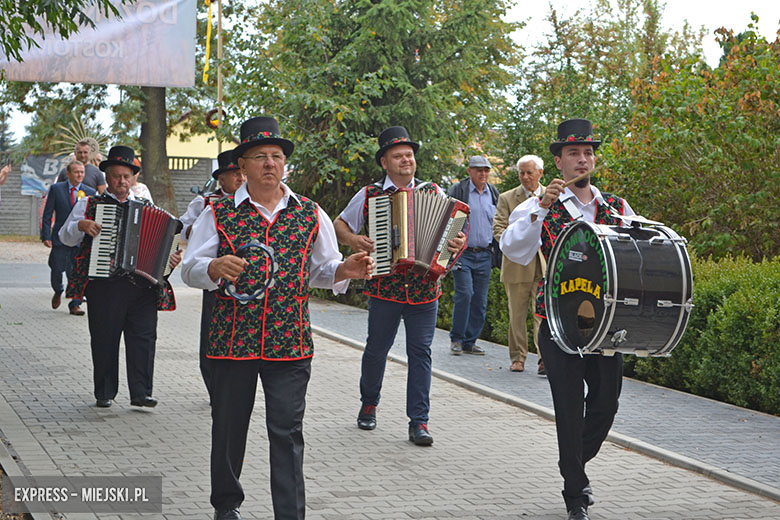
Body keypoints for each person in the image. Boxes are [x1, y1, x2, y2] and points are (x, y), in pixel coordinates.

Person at [181, 116, 375, 520]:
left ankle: (290, 513)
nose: (270, 163)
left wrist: (346, 271)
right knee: (229, 429)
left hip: (290, 343)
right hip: (232, 341)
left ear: (285, 164)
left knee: (287, 433)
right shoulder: (217, 213)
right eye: (260, 157)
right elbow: (189, 269)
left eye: (277, 156)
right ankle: (226, 504)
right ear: (243, 166)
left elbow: (322, 269)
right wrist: (213, 268)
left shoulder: (310, 213)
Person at [500, 119, 636, 520]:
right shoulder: (539, 205)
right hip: (557, 323)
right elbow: (515, 249)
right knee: (569, 407)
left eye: (588, 153)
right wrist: (540, 209)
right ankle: (574, 492)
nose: (582, 160)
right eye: (574, 154)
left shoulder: (616, 206)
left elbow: (635, 250)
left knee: (605, 406)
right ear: (557, 162)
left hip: (606, 324)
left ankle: (573, 463)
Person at [333, 126, 466, 446]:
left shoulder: (433, 192)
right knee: (377, 349)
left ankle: (419, 421)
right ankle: (369, 403)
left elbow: (454, 238)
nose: (406, 159)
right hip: (384, 289)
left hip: (424, 291)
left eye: (409, 155)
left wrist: (455, 245)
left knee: (421, 353)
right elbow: (339, 224)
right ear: (384, 162)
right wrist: (355, 240)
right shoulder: (369, 195)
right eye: (398, 156)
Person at [59, 145, 181, 409]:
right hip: (105, 285)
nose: (122, 182)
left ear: (134, 178)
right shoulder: (89, 204)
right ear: (107, 177)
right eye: (117, 176)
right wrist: (80, 225)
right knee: (104, 338)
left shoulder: (146, 206)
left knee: (144, 339)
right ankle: (104, 392)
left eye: (127, 176)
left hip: (142, 287)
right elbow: (64, 236)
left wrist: (169, 260)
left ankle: (141, 393)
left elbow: (164, 246)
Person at [179, 149, 246, 404]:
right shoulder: (206, 203)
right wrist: (199, 230)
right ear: (222, 179)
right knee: (211, 334)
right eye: (234, 175)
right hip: (214, 279)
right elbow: (181, 229)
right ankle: (214, 387)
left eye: (242, 174)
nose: (240, 179)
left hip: (244, 279)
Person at [493, 155, 547, 374]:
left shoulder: (552, 196)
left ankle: (545, 359)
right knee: (516, 315)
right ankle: (518, 358)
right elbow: (498, 230)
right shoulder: (507, 198)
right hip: (516, 265)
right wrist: (518, 242)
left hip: (543, 265)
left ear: (540, 173)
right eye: (521, 173)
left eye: (529, 172)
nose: (525, 177)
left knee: (542, 315)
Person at [446, 155, 499, 356]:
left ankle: (470, 341)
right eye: (478, 170)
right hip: (462, 254)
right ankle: (457, 339)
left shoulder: (493, 193)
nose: (483, 174)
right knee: (465, 294)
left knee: (480, 300)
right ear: (469, 171)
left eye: (486, 170)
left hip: (485, 254)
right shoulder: (458, 190)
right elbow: (446, 218)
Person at [40, 160, 96, 316]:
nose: (80, 175)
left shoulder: (90, 192)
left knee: (77, 272)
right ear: (68, 173)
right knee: (56, 268)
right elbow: (48, 213)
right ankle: (58, 290)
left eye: (82, 172)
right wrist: (45, 235)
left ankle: (75, 304)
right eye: (76, 172)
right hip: (59, 237)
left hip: (80, 239)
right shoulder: (57, 189)